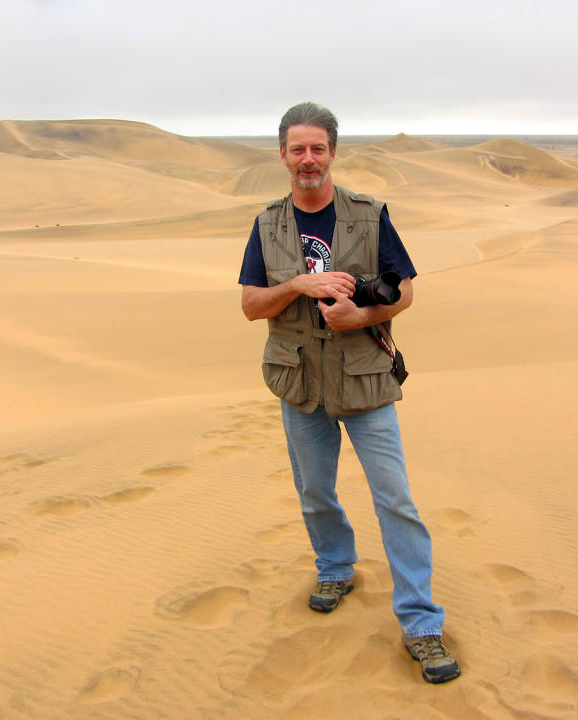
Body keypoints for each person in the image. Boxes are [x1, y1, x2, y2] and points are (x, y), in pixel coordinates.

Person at [238, 102, 460, 684]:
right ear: (282, 155)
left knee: (396, 501)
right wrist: (296, 284)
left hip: (365, 382)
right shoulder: (267, 225)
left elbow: (405, 292)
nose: (307, 159)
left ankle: (421, 624)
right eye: (297, 149)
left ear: (333, 152)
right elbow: (249, 305)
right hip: (300, 385)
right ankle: (335, 566)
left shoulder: (368, 215)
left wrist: (359, 315)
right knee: (315, 492)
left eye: (317, 148)